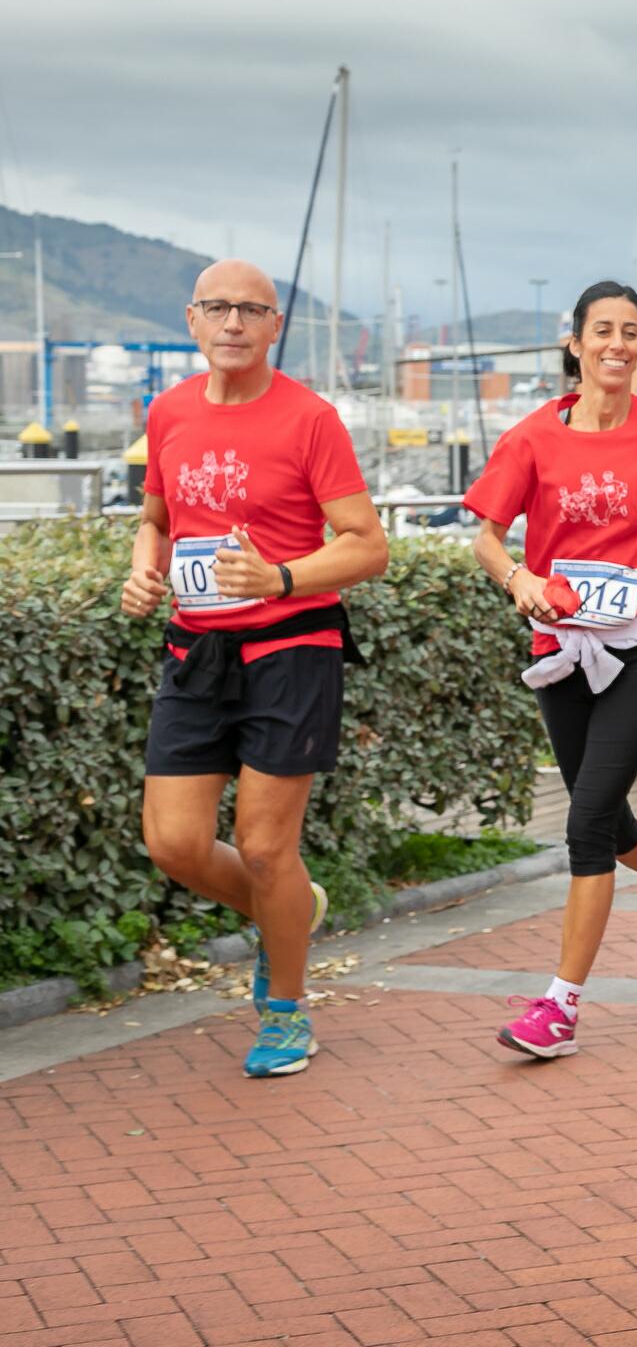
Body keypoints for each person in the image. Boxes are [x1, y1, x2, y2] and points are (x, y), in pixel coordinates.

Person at [122, 259, 389, 1078]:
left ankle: (285, 1011)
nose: (233, 322)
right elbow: (157, 517)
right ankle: (290, 915)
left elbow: (368, 546)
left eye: (251, 310)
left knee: (266, 846)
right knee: (172, 841)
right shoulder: (167, 413)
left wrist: (276, 577)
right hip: (195, 652)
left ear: (276, 327)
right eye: (217, 308)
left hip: (292, 648)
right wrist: (144, 568)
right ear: (192, 320)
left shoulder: (310, 419)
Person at [465, 281, 637, 1059]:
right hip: (561, 649)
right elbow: (485, 537)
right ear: (575, 343)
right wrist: (520, 580)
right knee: (607, 820)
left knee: (584, 823)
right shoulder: (532, 439)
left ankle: (561, 1006)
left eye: (630, 332)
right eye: (602, 331)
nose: (618, 344)